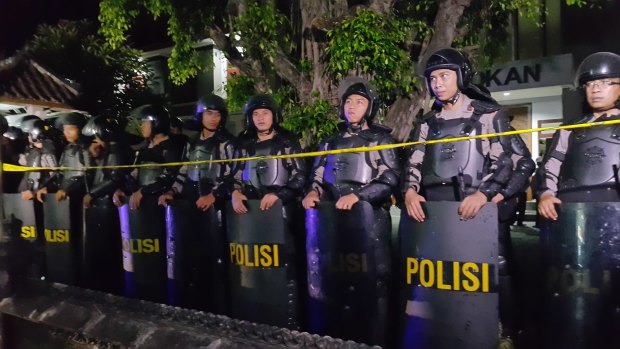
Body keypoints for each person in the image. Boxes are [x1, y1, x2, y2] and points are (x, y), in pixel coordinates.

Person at [401, 48, 529, 346]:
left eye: (444, 76)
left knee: (494, 267)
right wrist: (409, 191)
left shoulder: (488, 115)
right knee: (441, 270)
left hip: (478, 209)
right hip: (437, 211)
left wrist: (486, 194)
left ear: (460, 76)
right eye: (432, 78)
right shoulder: (427, 123)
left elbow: (504, 161)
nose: (437, 83)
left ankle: (505, 331)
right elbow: (415, 162)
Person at [302, 79, 400, 347]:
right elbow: (318, 176)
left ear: (370, 107)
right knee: (337, 279)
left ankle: (377, 338)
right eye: (348, 102)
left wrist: (358, 196)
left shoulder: (381, 139)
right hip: (334, 223)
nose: (352, 107)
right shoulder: (330, 142)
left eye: (359, 102)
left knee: (376, 280)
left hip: (370, 222)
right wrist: (312, 193)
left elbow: (390, 178)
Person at [534, 52, 620, 349]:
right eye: (591, 83)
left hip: (615, 222)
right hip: (572, 221)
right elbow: (549, 168)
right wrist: (545, 193)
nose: (596, 89)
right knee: (571, 291)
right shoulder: (569, 128)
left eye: (607, 82)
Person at [228, 94, 306, 329]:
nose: (261, 118)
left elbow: (300, 176)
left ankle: (291, 321)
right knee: (255, 266)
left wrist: (279, 195)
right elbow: (234, 175)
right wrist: (235, 192)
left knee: (286, 266)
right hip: (253, 216)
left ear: (274, 115)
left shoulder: (287, 142)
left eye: (265, 113)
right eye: (256, 114)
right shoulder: (244, 145)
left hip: (283, 214)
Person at [158, 94, 236, 312]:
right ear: (200, 115)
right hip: (191, 204)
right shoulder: (191, 143)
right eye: (209, 113)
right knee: (191, 257)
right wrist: (172, 191)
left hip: (215, 208)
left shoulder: (227, 143)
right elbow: (184, 170)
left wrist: (215, 195)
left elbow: (233, 174)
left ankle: (217, 307)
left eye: (218, 114)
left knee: (214, 260)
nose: (213, 118)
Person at [112, 104, 184, 303]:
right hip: (140, 210)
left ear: (156, 124)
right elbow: (134, 175)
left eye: (145, 123)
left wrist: (144, 191)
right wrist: (122, 189)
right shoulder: (143, 150)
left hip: (158, 210)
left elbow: (170, 177)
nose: (142, 127)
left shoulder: (171, 148)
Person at [81, 115, 133, 294]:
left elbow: (114, 178)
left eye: (96, 137)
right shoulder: (106, 151)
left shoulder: (114, 151)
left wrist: (92, 194)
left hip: (107, 208)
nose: (94, 141)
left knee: (107, 251)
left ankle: (109, 287)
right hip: (100, 208)